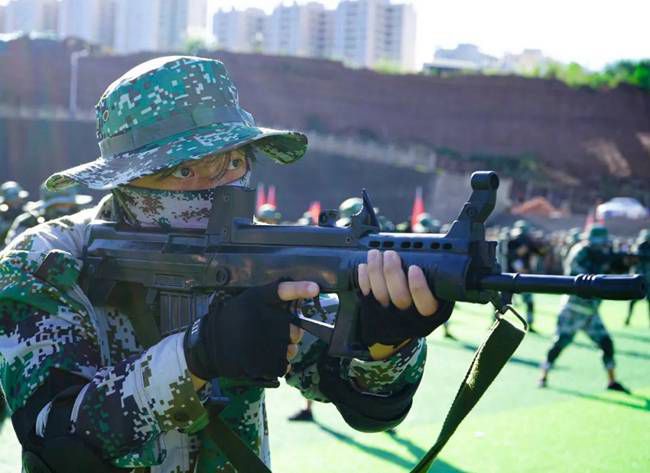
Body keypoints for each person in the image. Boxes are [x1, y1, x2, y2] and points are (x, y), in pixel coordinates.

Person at [0, 56, 453, 472]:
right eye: (182, 170)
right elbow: (55, 439)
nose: (215, 187)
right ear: (125, 178)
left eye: (233, 162)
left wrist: (382, 342)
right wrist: (198, 354)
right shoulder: (47, 260)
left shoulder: (259, 257)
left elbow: (363, 404)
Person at [539, 225, 629, 392]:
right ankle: (543, 375)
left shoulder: (602, 255)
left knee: (606, 343)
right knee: (559, 344)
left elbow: (614, 274)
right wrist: (606, 265)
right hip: (573, 309)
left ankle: (612, 381)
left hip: (591, 312)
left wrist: (622, 264)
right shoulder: (580, 252)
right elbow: (582, 276)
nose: (604, 247)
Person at [4, 187, 93, 245]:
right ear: (49, 208)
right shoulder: (28, 223)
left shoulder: (86, 222)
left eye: (68, 205)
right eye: (60, 206)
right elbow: (14, 251)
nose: (65, 210)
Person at [505, 220, 546, 332]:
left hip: (524, 277)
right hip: (510, 276)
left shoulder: (529, 242)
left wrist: (539, 243)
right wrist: (519, 252)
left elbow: (542, 253)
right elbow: (510, 256)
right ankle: (494, 320)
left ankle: (530, 322)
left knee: (529, 302)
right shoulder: (512, 242)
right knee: (503, 301)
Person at [625, 229, 650, 326]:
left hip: (646, 278)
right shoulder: (638, 246)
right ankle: (628, 318)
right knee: (633, 300)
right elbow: (634, 258)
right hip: (638, 278)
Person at [0, 180, 30, 245]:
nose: (14, 204)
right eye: (11, 202)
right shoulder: (1, 217)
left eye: (16, 201)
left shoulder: (30, 212)